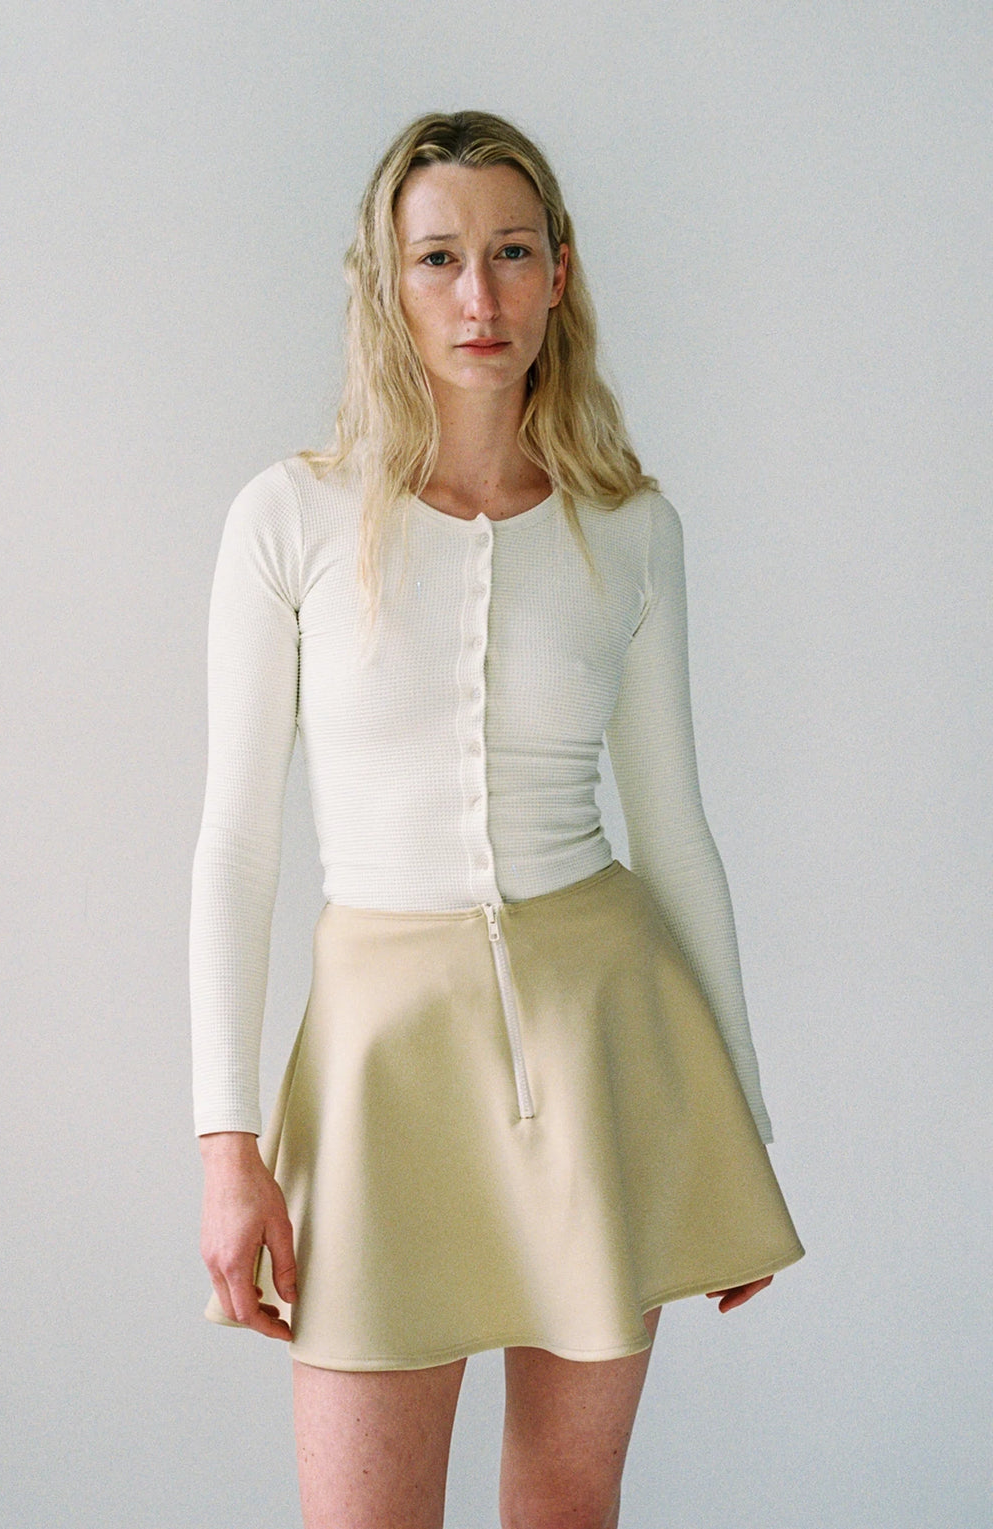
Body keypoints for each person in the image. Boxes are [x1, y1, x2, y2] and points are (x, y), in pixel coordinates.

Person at [191, 109, 804, 1529]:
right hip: (381, 1055)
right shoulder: (288, 520)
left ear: (559, 277)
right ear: (384, 283)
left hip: (602, 1042)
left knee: (564, 1512)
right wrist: (226, 1141)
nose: (479, 297)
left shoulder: (634, 527)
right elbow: (237, 843)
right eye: (440, 258)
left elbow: (678, 832)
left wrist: (740, 1123)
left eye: (511, 254)